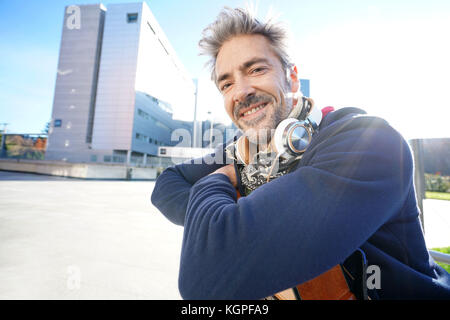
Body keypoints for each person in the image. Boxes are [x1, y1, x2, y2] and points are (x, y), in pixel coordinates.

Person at [151, 7, 450, 299]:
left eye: (256, 69)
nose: (240, 92)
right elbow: (167, 185)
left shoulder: (369, 143)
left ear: (292, 79)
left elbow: (206, 278)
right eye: (226, 84)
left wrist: (221, 193)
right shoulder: (244, 152)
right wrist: (230, 190)